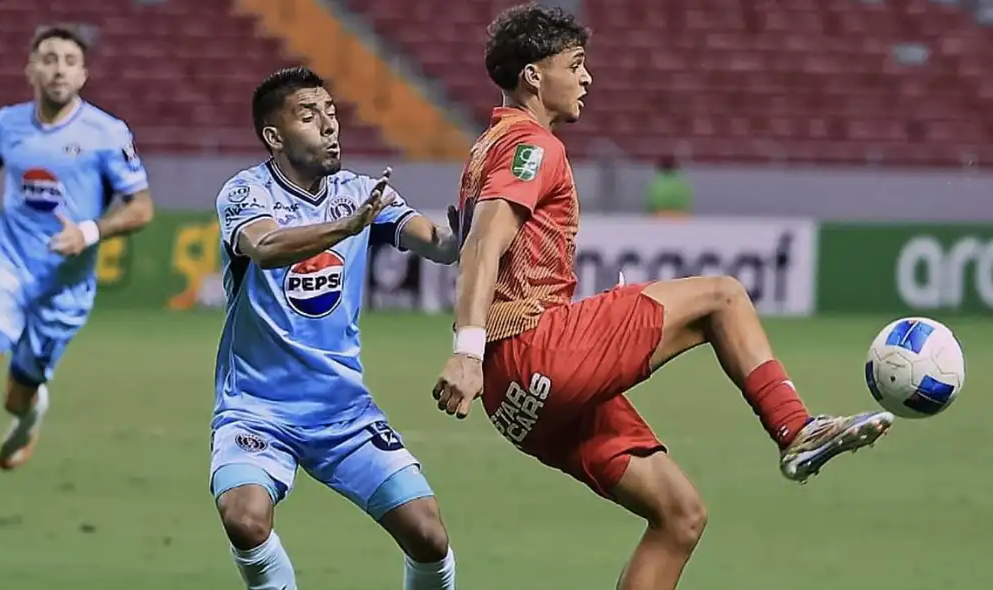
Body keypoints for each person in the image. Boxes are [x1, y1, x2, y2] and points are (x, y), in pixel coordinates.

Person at [431, 4, 894, 589]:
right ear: (533, 76)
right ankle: (796, 429)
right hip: (534, 349)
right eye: (575, 65)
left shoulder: (486, 147)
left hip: (513, 399)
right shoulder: (532, 146)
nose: (586, 78)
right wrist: (466, 352)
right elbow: (483, 243)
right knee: (723, 298)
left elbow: (469, 241)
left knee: (679, 515)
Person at [210, 66, 458, 590]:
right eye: (308, 116)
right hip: (257, 408)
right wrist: (347, 226)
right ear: (274, 136)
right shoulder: (245, 192)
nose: (328, 125)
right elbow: (266, 247)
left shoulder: (361, 192)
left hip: (342, 409)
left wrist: (470, 234)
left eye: (331, 112)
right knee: (244, 518)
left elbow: (436, 244)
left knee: (428, 535)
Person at [0, 24, 155, 471]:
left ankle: (30, 413)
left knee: (16, 396)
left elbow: (142, 208)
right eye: (48, 59)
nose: (58, 70)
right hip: (6, 264)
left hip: (64, 287)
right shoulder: (7, 124)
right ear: (31, 69)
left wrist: (88, 232)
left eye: (69, 62)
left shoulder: (107, 134)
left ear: (83, 74)